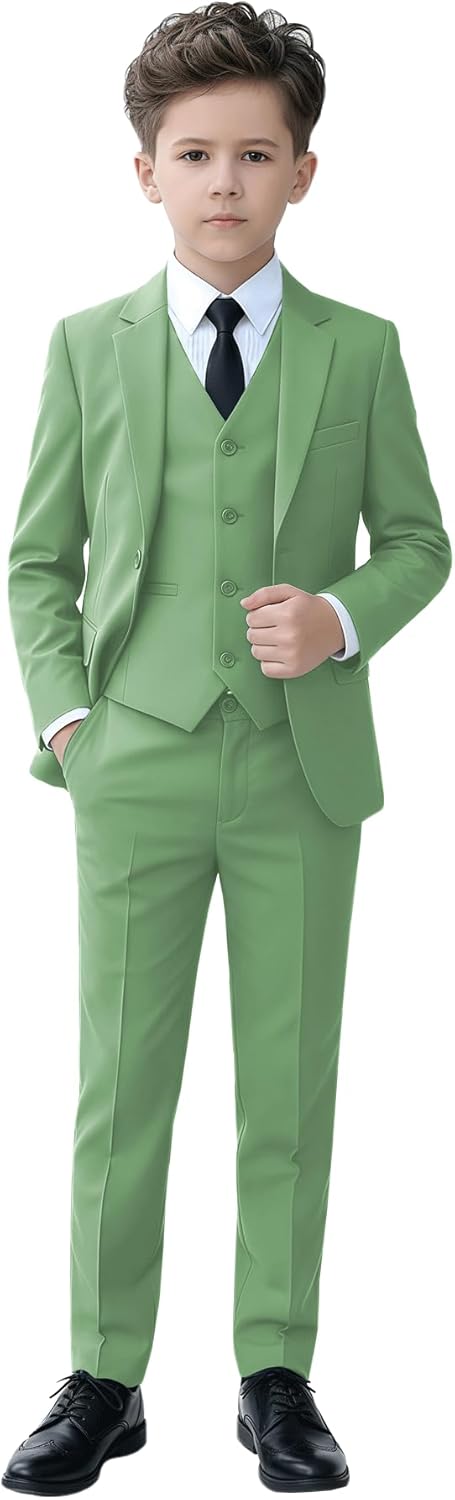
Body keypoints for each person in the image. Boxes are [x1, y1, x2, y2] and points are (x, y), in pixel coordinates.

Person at [4, 4, 452, 1493]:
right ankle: (103, 1372)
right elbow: (39, 558)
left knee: (289, 1080)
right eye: (194, 154)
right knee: (119, 1085)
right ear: (145, 171)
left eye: (256, 154)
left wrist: (339, 616)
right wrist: (67, 716)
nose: (224, 182)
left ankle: (275, 1372)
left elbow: (423, 541)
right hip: (129, 756)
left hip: (297, 769)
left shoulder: (362, 347)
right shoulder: (87, 345)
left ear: (303, 172)